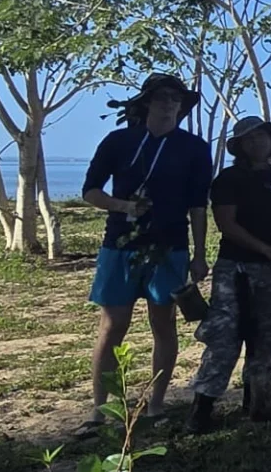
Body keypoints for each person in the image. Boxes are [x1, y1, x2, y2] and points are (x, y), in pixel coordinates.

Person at [80, 73, 213, 423]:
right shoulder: (118, 141)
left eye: (175, 98)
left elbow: (198, 206)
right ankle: (99, 410)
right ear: (147, 102)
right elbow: (90, 191)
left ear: (181, 106)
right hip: (119, 246)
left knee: (163, 322)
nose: (169, 103)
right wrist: (123, 207)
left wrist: (200, 254)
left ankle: (156, 404)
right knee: (113, 325)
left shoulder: (195, 148)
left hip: (170, 247)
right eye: (161, 97)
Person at [188, 116, 271, 432]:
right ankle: (202, 408)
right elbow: (227, 225)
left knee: (268, 335)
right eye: (249, 139)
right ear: (240, 146)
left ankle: (257, 399)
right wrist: (267, 250)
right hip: (236, 268)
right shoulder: (229, 179)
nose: (256, 143)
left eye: (262, 137)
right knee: (225, 336)